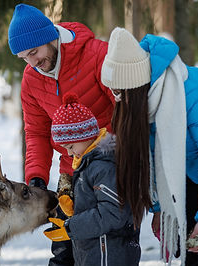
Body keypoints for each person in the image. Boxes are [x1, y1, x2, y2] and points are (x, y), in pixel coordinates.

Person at [100, 27, 198, 266]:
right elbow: (153, 158)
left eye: (119, 92)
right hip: (196, 168)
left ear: (135, 86)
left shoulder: (194, 94)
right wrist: (159, 209)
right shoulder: (147, 101)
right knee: (187, 248)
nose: (116, 99)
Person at [8, 4, 114, 265]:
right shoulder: (31, 78)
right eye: (24, 57)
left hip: (109, 168)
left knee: (103, 249)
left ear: (51, 36)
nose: (33, 63)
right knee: (63, 251)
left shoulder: (97, 55)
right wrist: (36, 179)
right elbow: (36, 133)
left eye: (34, 52)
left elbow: (127, 111)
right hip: (71, 173)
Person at [43, 92, 141, 266]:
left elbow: (112, 212)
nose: (69, 153)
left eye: (71, 146)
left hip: (109, 254)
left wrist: (72, 227)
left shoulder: (103, 166)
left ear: (85, 136)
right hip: (95, 253)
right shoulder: (88, 164)